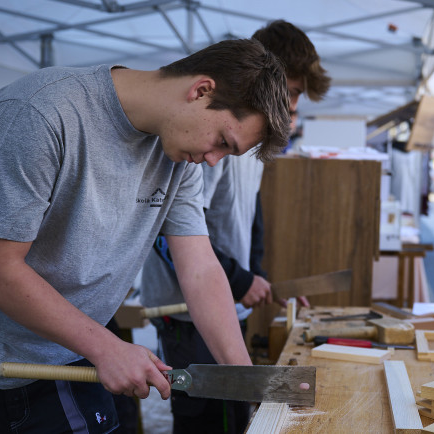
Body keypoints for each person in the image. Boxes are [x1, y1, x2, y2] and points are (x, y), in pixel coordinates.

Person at [0, 38, 291, 433]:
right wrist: (107, 347)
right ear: (201, 91)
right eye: (223, 143)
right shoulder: (41, 112)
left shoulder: (180, 156)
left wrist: (245, 379)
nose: (214, 159)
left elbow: (199, 268)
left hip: (69, 354)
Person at [139, 20, 330, 434]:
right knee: (206, 419)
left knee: (233, 413)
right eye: (292, 91)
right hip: (186, 312)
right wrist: (239, 278)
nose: (292, 105)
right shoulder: (205, 140)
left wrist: (254, 275)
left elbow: (252, 214)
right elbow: (168, 236)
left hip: (223, 300)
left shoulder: (239, 139)